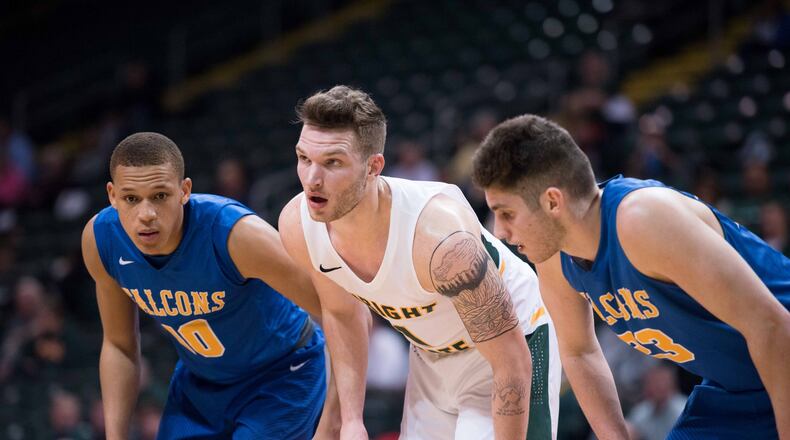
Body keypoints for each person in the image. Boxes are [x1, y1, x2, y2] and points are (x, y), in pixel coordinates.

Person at [471, 114, 790, 439]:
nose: (500, 231)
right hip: (736, 388)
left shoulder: (642, 220)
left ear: (553, 201)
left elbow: (772, 325)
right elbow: (579, 352)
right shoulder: (554, 256)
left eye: (507, 213)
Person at [279, 86, 560, 440]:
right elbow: (342, 313)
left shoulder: (438, 240)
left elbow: (511, 363)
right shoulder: (298, 224)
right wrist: (347, 419)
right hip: (429, 355)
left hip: (511, 345)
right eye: (304, 158)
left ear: (373, 167)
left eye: (333, 162)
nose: (312, 179)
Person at [81, 132, 326, 439]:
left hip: (281, 375)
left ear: (184, 191)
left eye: (160, 196)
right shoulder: (101, 240)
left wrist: (343, 412)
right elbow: (119, 345)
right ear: (112, 195)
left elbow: (339, 309)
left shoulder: (236, 235)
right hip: (200, 382)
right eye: (131, 198)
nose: (146, 215)